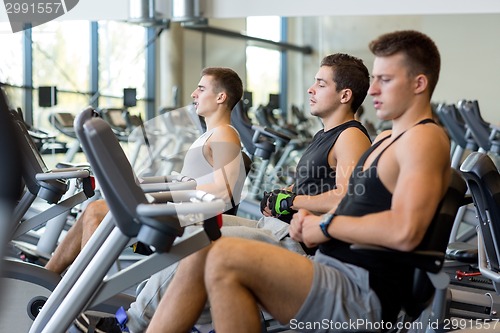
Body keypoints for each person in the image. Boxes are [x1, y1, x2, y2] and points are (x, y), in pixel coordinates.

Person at [145, 29, 452, 333]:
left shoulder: (422, 138)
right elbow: (353, 201)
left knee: (218, 252)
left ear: (419, 84)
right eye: (374, 81)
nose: (372, 91)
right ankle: (139, 322)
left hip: (359, 288)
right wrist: (299, 206)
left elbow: (405, 231)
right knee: (208, 250)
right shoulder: (388, 138)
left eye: (385, 80)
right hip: (334, 265)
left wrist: (321, 224)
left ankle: (135, 323)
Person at [76, 53, 373, 333]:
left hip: (296, 245)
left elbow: (347, 197)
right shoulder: (324, 135)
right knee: (185, 232)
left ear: (345, 95)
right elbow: (314, 186)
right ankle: (165, 310)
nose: (310, 89)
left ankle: (133, 324)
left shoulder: (351, 136)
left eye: (320, 84)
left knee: (198, 243)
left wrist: (294, 201)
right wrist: (283, 195)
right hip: (274, 226)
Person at [45, 66, 246, 275]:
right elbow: (191, 181)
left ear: (221, 97)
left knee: (97, 212)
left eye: (201, 89)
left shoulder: (224, 134)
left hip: (190, 221)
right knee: (92, 209)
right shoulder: (211, 134)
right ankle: (48, 278)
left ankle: (78, 293)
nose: (193, 94)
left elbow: (225, 191)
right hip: (181, 210)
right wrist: (146, 186)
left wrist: (159, 197)